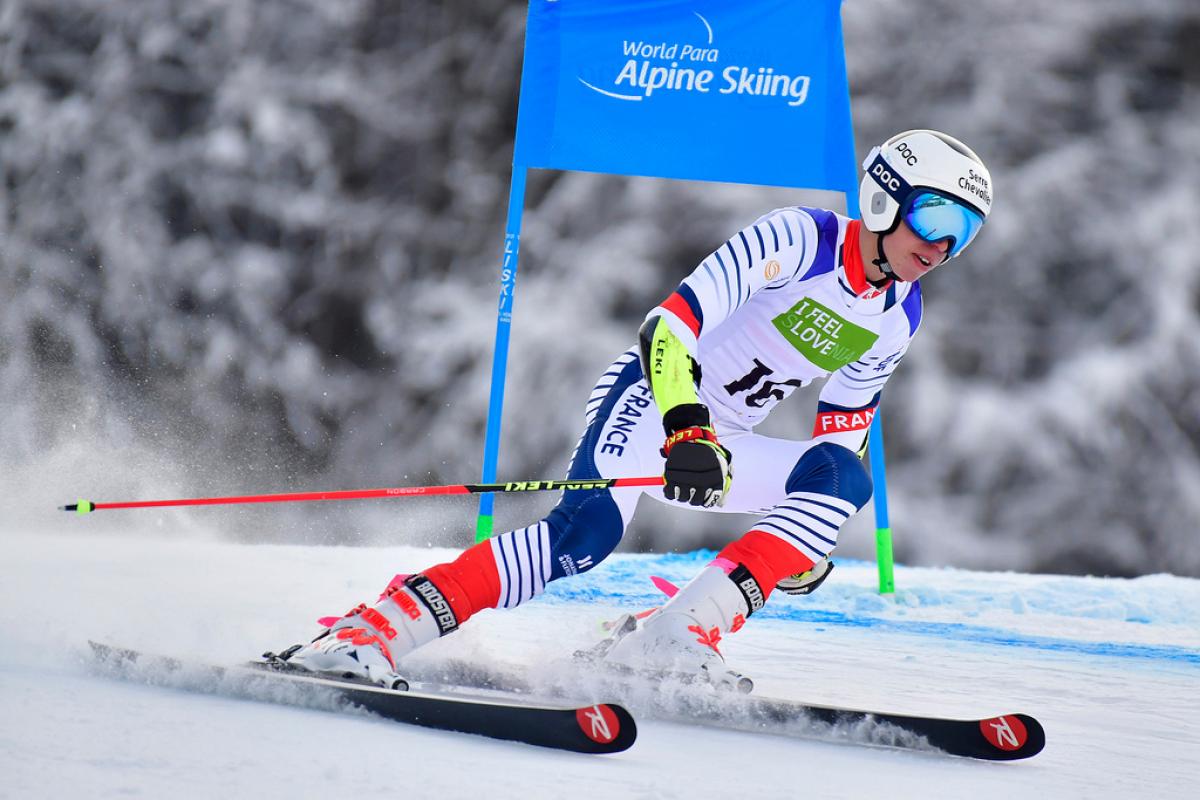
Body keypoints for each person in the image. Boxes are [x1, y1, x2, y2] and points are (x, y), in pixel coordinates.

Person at [278, 129, 994, 688]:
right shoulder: (797, 240)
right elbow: (669, 328)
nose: (941, 245)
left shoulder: (900, 313)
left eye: (963, 232)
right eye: (935, 217)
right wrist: (686, 426)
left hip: (720, 438)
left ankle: (672, 639)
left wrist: (809, 533)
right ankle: (371, 631)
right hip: (655, 400)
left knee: (841, 478)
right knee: (582, 536)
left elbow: (845, 429)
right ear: (883, 199)